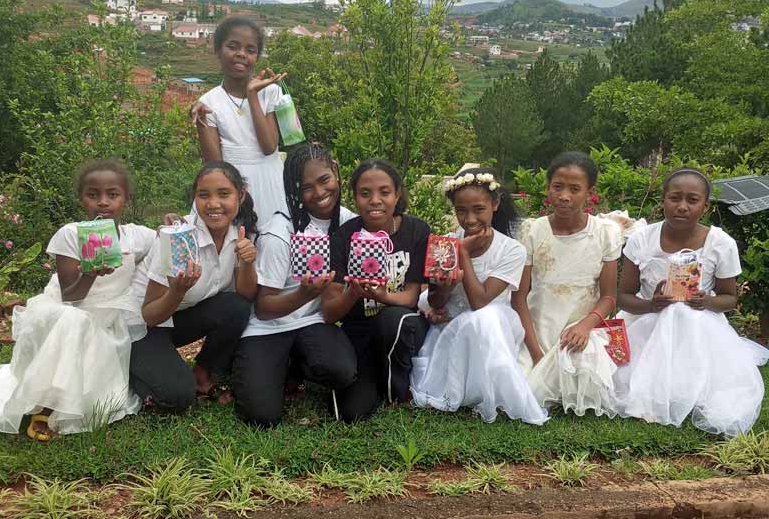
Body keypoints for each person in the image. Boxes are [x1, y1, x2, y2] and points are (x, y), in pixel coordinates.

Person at [0, 160, 155, 440]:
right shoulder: (70, 234)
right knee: (74, 320)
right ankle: (44, 405)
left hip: (107, 317)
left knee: (85, 327)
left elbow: (163, 241)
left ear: (127, 199)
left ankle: (67, 399)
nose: (103, 202)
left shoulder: (136, 237)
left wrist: (172, 222)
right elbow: (71, 295)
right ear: (82, 198)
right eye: (93, 194)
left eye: (113, 194)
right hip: (66, 309)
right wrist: (90, 273)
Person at [614, 168, 769, 436]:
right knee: (616, 377)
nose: (682, 207)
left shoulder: (721, 243)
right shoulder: (641, 239)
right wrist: (652, 304)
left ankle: (683, 386)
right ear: (663, 200)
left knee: (683, 317)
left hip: (697, 324)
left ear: (705, 206)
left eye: (692, 200)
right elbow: (624, 296)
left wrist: (706, 300)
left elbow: (729, 298)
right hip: (645, 320)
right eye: (675, 198)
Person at [232, 143, 358, 426]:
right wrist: (304, 293)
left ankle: (296, 367)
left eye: (324, 180)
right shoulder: (281, 232)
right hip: (267, 328)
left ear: (335, 171)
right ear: (295, 190)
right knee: (261, 415)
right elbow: (263, 307)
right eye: (306, 187)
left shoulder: (349, 223)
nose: (319, 193)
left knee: (342, 371)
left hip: (312, 322)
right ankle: (263, 366)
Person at [410, 168, 548, 425]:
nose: (470, 218)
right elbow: (437, 301)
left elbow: (480, 302)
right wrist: (443, 288)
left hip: (494, 327)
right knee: (474, 320)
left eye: (478, 209)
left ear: (495, 205)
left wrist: (462, 253)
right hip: (452, 327)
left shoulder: (512, 251)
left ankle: (494, 392)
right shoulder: (445, 245)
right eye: (461, 210)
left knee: (485, 318)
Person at [129, 161, 257, 410]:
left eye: (224, 194)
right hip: (140, 328)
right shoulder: (177, 239)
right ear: (194, 198)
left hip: (177, 320)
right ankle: (128, 367)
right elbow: (148, 315)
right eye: (203, 195)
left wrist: (248, 262)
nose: (213, 204)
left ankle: (203, 373)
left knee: (236, 307)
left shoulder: (238, 236)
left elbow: (245, 297)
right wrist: (177, 290)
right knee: (177, 396)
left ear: (240, 195)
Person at [512, 151, 622, 417]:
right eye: (557, 187)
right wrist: (536, 352)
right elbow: (519, 297)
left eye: (575, 189)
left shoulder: (605, 233)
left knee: (583, 365)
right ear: (548, 188)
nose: (564, 196)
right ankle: (537, 361)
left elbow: (609, 296)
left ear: (589, 192)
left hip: (581, 329)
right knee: (522, 387)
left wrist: (585, 326)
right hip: (538, 328)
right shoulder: (532, 230)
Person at [322, 159, 431, 421]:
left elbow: (412, 296)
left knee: (391, 319)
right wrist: (353, 293)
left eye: (384, 192)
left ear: (397, 195)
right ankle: (376, 377)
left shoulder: (416, 231)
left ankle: (397, 384)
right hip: (359, 330)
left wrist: (383, 296)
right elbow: (329, 313)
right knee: (350, 413)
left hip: (401, 325)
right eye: (365, 193)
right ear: (355, 198)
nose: (375, 200)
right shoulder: (343, 237)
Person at [189, 17, 288, 231]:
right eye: (232, 47)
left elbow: (269, 146)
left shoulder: (270, 92)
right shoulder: (208, 102)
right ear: (218, 50)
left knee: (272, 240)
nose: (241, 54)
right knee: (234, 247)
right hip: (230, 188)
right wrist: (200, 123)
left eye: (250, 50)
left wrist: (253, 95)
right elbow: (214, 164)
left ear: (257, 56)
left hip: (270, 182)